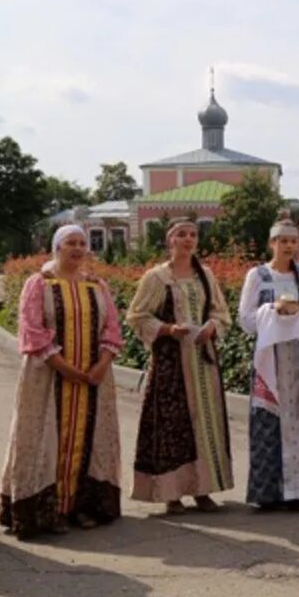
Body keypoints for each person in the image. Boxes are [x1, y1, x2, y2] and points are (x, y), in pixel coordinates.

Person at [0, 224, 123, 537]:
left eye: (82, 243)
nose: (78, 248)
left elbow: (112, 328)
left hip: (93, 379)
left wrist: (102, 364)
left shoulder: (97, 286)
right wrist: (63, 366)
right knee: (47, 438)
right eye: (71, 242)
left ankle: (80, 506)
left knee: (88, 439)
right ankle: (46, 511)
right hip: (48, 376)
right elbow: (32, 329)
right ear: (57, 247)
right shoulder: (38, 283)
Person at [128, 220, 234, 515]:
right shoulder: (157, 277)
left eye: (193, 235)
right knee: (173, 425)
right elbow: (137, 316)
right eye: (181, 235)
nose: (188, 239)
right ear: (170, 240)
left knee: (206, 423)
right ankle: (171, 493)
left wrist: (213, 326)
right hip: (171, 365)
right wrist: (166, 329)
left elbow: (221, 312)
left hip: (203, 360)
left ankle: (203, 490)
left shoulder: (205, 275)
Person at [239, 215, 299, 509]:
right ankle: (271, 493)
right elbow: (246, 318)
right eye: (283, 241)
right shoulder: (257, 276)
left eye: (293, 241)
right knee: (271, 419)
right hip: (271, 360)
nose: (289, 246)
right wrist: (272, 311)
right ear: (272, 243)